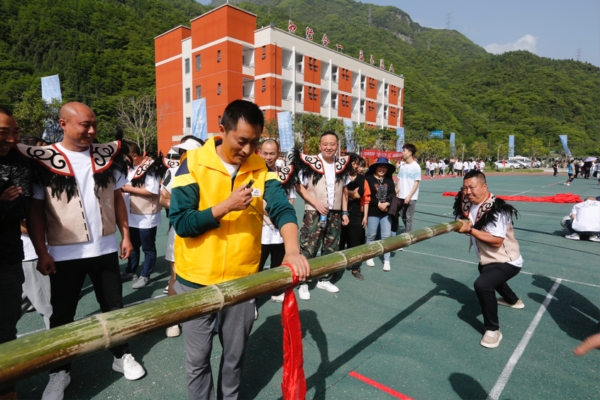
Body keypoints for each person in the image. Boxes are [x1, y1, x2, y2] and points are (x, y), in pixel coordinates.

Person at [169, 100, 309, 400]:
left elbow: (282, 208)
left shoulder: (261, 168)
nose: (248, 150)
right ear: (222, 130)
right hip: (196, 281)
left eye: (254, 142)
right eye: (241, 141)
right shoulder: (192, 163)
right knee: (197, 360)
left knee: (234, 358)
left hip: (243, 281)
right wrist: (224, 207)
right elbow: (182, 222)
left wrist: (292, 250)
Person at [23, 102, 145, 400]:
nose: (92, 131)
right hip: (63, 253)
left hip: (105, 249)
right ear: (63, 124)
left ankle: (121, 354)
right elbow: (36, 211)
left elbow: (117, 198)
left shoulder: (106, 157)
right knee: (62, 315)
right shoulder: (44, 160)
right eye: (84, 125)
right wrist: (42, 251)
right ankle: (59, 370)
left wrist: (126, 236)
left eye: (94, 124)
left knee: (114, 306)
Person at [453, 170, 524, 349]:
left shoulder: (497, 209)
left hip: (507, 260)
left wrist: (470, 230)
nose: (468, 192)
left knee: (483, 284)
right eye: (465, 188)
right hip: (488, 259)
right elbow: (464, 218)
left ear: (484, 186)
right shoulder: (468, 203)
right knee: (485, 271)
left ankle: (493, 330)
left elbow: (496, 241)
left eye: (472, 187)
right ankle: (513, 300)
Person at [0, 106, 32, 400]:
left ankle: (7, 390)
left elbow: (23, 205)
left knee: (6, 327)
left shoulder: (20, 162)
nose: (11, 139)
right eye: (3, 132)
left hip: (8, 258)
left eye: (15, 132)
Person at [294, 132, 350, 300]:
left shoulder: (341, 164)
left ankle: (324, 279)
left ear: (337, 146)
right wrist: (315, 203)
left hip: (335, 212)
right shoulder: (310, 163)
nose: (328, 147)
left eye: (332, 144)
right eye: (325, 144)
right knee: (308, 246)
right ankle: (303, 282)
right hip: (314, 211)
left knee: (331, 246)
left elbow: (345, 190)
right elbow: (299, 186)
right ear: (320, 145)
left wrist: (345, 212)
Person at [160, 135, 204, 337]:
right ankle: (173, 320)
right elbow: (163, 198)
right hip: (180, 231)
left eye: (187, 151)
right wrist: (184, 209)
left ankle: (203, 316)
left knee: (204, 276)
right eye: (182, 152)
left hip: (207, 231)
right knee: (176, 276)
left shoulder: (211, 172)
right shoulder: (173, 171)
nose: (183, 155)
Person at [258, 139, 296, 302]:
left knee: (277, 262)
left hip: (280, 230)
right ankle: (253, 299)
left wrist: (283, 219)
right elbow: (257, 202)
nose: (268, 157)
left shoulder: (285, 175)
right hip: (262, 229)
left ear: (278, 154)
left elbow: (290, 200)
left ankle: (276, 290)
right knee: (257, 266)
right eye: (265, 153)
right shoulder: (255, 174)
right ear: (259, 153)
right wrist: (274, 215)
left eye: (272, 153)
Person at [120, 143, 163, 289]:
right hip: (131, 215)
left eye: (125, 158)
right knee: (133, 245)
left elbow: (153, 191)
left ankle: (145, 275)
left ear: (134, 156)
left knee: (148, 247)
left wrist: (130, 189)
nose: (123, 161)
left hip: (146, 216)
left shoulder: (150, 167)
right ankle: (131, 271)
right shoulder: (130, 167)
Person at [339, 154, 369, 280]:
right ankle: (337, 266)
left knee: (355, 241)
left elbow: (358, 195)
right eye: (353, 163)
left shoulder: (362, 178)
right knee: (340, 240)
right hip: (340, 211)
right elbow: (338, 192)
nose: (355, 166)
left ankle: (355, 268)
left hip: (356, 213)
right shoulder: (341, 175)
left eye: (357, 163)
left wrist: (345, 191)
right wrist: (350, 192)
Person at [364, 157, 396, 271]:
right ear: (375, 167)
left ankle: (387, 260)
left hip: (386, 212)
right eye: (380, 167)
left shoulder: (389, 180)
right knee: (371, 235)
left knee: (386, 236)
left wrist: (387, 203)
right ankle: (369, 256)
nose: (382, 169)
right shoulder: (368, 178)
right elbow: (366, 195)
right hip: (373, 211)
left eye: (384, 167)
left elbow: (393, 195)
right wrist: (376, 203)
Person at [397, 144, 421, 234]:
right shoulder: (402, 165)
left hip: (411, 196)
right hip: (401, 195)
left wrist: (409, 196)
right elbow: (399, 179)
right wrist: (397, 191)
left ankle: (408, 234)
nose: (402, 152)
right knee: (402, 215)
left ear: (410, 153)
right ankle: (408, 231)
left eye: (404, 151)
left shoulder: (416, 166)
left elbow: (416, 182)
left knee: (409, 216)